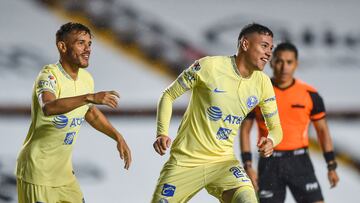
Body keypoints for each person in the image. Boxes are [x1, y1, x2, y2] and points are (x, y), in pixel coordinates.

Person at [151, 23, 283, 203]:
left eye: (271, 48)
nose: (269, 53)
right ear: (245, 44)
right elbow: (168, 95)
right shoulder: (209, 66)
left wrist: (271, 141)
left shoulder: (263, 83)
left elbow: (276, 128)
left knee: (248, 199)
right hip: (186, 162)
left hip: (223, 163)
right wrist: (161, 133)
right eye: (264, 46)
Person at [15, 22, 132, 203]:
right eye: (80, 43)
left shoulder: (86, 79)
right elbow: (48, 107)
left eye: (89, 44)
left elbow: (90, 113)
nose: (87, 49)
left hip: (65, 176)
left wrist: (117, 136)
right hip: (38, 174)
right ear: (62, 46)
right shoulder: (49, 75)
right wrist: (89, 97)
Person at [240, 42, 339, 203]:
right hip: (269, 163)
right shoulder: (257, 91)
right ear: (271, 62)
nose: (284, 67)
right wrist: (248, 165)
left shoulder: (310, 94)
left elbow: (322, 130)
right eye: (279, 61)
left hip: (299, 162)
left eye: (289, 62)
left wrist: (331, 165)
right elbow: (245, 130)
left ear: (296, 64)